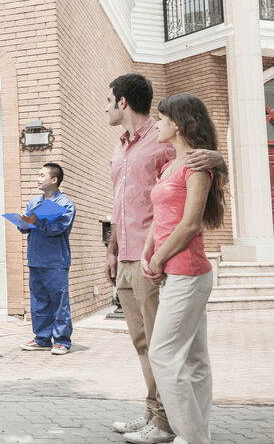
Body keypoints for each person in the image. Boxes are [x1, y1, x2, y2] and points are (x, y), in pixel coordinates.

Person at [103, 74, 225, 444]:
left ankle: (168, 423)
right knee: (145, 344)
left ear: (123, 102)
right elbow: (122, 202)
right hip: (131, 254)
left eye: (108, 100)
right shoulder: (121, 148)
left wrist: (219, 159)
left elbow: (196, 172)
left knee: (164, 350)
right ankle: (154, 414)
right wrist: (112, 249)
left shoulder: (162, 143)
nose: (105, 108)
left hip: (165, 259)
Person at [141, 94, 225, 444]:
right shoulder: (170, 165)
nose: (157, 125)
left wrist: (159, 258)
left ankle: (191, 437)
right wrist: (148, 250)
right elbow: (160, 217)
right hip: (173, 272)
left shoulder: (197, 165)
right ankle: (198, 435)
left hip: (188, 272)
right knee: (193, 359)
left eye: (161, 119)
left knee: (162, 354)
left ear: (176, 124)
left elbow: (190, 224)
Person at [17, 163, 76, 355]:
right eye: (38, 174)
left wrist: (36, 222)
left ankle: (62, 341)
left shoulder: (66, 205)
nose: (38, 178)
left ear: (54, 180)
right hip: (35, 259)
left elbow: (57, 229)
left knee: (59, 303)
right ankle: (42, 339)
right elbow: (23, 228)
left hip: (55, 261)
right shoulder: (33, 203)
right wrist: (23, 222)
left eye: (42, 175)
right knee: (39, 302)